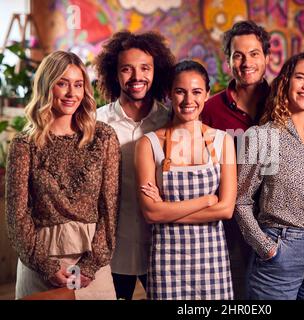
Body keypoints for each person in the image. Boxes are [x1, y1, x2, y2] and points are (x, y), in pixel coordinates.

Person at [6, 51, 120, 300]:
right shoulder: (24, 144)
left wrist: (90, 266)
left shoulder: (103, 137)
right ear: (47, 86)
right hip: (39, 259)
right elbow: (17, 215)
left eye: (78, 84)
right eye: (62, 83)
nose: (72, 93)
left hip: (94, 259)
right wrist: (46, 266)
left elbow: (110, 208)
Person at [235, 52, 304, 300]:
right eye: (301, 77)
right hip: (280, 253)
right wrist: (267, 249)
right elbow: (241, 201)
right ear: (286, 82)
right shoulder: (262, 136)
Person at [135, 60, 236, 300]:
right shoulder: (148, 144)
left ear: (207, 94)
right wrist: (208, 200)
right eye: (180, 91)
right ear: (170, 94)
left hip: (213, 260)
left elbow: (227, 209)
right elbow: (151, 214)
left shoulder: (224, 142)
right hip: (167, 261)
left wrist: (166, 210)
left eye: (196, 92)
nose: (188, 100)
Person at [95, 30, 175, 300]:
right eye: (127, 69)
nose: (137, 77)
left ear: (157, 71)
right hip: (110, 248)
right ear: (114, 74)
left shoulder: (171, 122)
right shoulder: (97, 123)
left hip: (160, 245)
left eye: (145, 68)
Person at [201, 20, 271, 299]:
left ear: (266, 57)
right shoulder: (209, 110)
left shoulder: (282, 104)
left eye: (254, 53)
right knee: (234, 295)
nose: (246, 62)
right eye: (238, 55)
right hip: (226, 225)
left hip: (275, 223)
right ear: (229, 60)